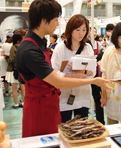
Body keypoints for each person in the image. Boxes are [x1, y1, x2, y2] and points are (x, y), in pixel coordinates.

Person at [16, 0, 112, 138]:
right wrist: (93, 81)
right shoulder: (29, 50)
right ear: (44, 21)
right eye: (55, 20)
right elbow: (58, 82)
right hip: (39, 109)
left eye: (84, 30)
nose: (57, 24)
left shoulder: (40, 44)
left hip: (49, 104)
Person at [51, 14, 95, 122]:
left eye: (84, 30)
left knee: (81, 128)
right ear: (70, 30)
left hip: (83, 93)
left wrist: (86, 72)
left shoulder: (87, 48)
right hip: (65, 94)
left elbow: (93, 72)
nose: (81, 33)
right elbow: (54, 71)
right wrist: (72, 75)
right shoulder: (60, 48)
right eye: (78, 30)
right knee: (64, 125)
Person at [5, 30, 25, 108]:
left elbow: (11, 59)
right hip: (22, 70)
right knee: (22, 87)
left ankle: (16, 104)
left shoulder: (14, 47)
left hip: (13, 70)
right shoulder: (24, 46)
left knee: (14, 88)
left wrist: (6, 58)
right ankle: (23, 102)